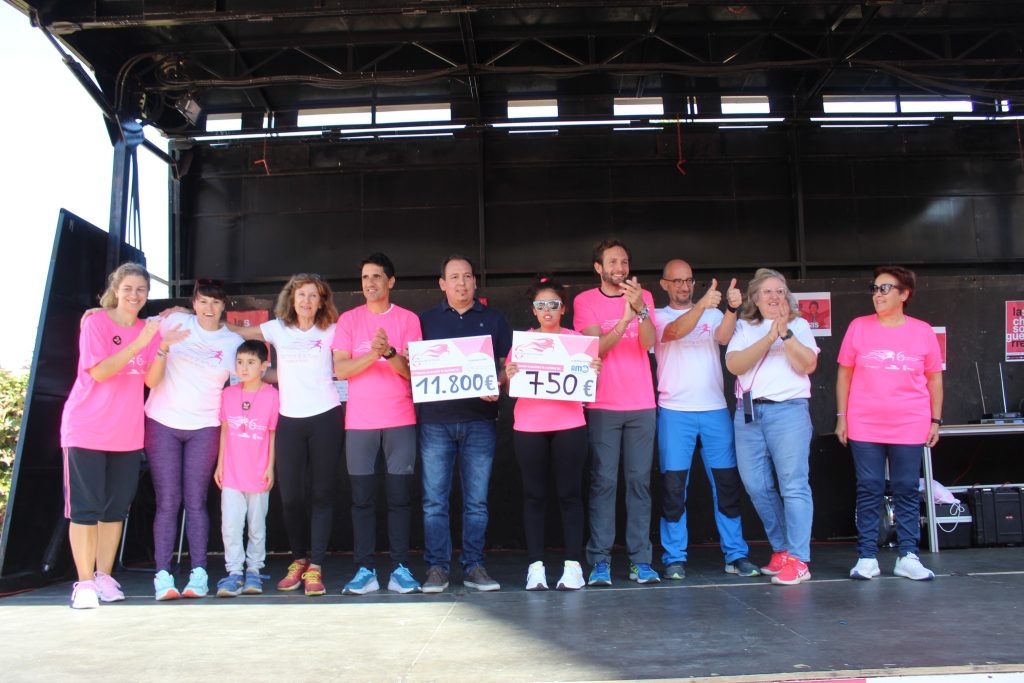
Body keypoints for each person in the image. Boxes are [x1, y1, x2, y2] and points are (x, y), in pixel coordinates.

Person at [60, 263, 183, 609]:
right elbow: (100, 371)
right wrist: (140, 342)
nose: (134, 295)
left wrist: (159, 348)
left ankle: (103, 576)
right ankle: (83, 583)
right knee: (85, 510)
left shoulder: (150, 330)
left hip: (127, 434)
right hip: (86, 428)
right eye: (128, 288)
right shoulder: (96, 322)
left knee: (114, 511)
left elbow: (151, 381)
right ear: (116, 289)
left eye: (141, 290)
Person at [231, 273, 342, 596]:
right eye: (301, 295)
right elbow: (235, 332)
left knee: (321, 494)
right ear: (291, 300)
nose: (307, 301)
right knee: (291, 497)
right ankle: (299, 560)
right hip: (290, 421)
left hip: (326, 418)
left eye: (313, 295)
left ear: (322, 300)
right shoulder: (278, 329)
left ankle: (316, 566)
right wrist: (181, 315)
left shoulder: (332, 330)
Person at [654, 260, 760, 580]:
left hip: (714, 409)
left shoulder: (712, 314)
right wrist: (704, 304)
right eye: (677, 281)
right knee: (674, 488)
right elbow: (674, 332)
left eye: (689, 281)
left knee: (726, 485)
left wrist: (729, 308)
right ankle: (674, 556)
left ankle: (736, 553)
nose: (685, 287)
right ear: (664, 285)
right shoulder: (658, 317)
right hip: (674, 411)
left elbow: (725, 337)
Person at [836, 266, 943, 581]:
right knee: (869, 487)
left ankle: (907, 554)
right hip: (864, 421)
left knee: (907, 488)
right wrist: (842, 417)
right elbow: (844, 374)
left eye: (884, 288)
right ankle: (867, 556)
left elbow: (934, 379)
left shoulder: (923, 331)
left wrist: (935, 419)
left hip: (910, 421)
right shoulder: (859, 327)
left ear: (904, 294)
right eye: (875, 288)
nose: (877, 294)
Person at [144, 279, 243, 601]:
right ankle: (163, 575)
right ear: (194, 302)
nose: (208, 308)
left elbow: (248, 379)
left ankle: (198, 573)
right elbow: (131, 325)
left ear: (224, 305)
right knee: (168, 501)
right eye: (202, 301)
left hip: (205, 426)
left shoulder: (232, 341)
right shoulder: (174, 322)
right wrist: (95, 311)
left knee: (196, 501)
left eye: (215, 302)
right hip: (163, 422)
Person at [418, 255, 512, 593]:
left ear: (475, 282)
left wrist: (498, 382)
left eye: (467, 276)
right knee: (434, 501)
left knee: (476, 501)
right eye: (454, 277)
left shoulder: (493, 319)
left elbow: (506, 368)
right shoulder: (425, 321)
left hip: (480, 422)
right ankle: (437, 568)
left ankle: (474, 566)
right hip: (436, 422)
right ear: (442, 283)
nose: (462, 282)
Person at [332, 253, 422, 595]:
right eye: (366, 277)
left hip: (400, 420)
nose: (370, 283)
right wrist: (373, 353)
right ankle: (365, 569)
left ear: (391, 281)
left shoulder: (409, 320)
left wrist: (389, 354)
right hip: (360, 424)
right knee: (362, 500)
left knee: (400, 499)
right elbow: (341, 370)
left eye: (377, 277)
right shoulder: (349, 320)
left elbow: (413, 373)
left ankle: (400, 568)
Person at [725, 268, 819, 586]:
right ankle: (782, 550)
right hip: (749, 413)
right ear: (754, 297)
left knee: (793, 484)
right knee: (756, 485)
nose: (775, 296)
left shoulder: (800, 325)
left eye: (780, 291)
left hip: (788, 412)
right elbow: (735, 365)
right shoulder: (743, 327)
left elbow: (807, 364)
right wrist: (768, 336)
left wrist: (785, 334)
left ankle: (799, 559)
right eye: (767, 291)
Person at [573, 239, 659, 586]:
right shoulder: (585, 301)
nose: (620, 268)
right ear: (599, 268)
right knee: (604, 483)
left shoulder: (645, 297)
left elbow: (649, 342)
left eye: (624, 261)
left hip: (641, 404)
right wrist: (624, 320)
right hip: (603, 404)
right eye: (612, 262)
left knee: (639, 483)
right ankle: (600, 561)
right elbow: (595, 348)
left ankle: (641, 561)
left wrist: (639, 309)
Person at [505, 278, 600, 591]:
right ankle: (536, 567)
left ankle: (573, 566)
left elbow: (588, 379)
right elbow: (508, 383)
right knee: (534, 495)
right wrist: (508, 375)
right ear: (534, 310)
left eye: (553, 304)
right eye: (541, 305)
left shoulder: (577, 341)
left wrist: (593, 367)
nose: (547, 310)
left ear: (563, 308)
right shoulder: (522, 343)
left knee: (570, 495)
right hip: (529, 427)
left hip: (570, 425)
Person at [213, 340, 279, 597]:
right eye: (240, 362)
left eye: (251, 362)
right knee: (230, 523)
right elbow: (225, 430)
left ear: (264, 366)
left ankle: (254, 570)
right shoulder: (228, 394)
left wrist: (270, 468)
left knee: (256, 524)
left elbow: (272, 434)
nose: (244, 367)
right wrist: (220, 464)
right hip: (232, 471)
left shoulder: (272, 395)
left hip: (258, 470)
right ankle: (234, 572)